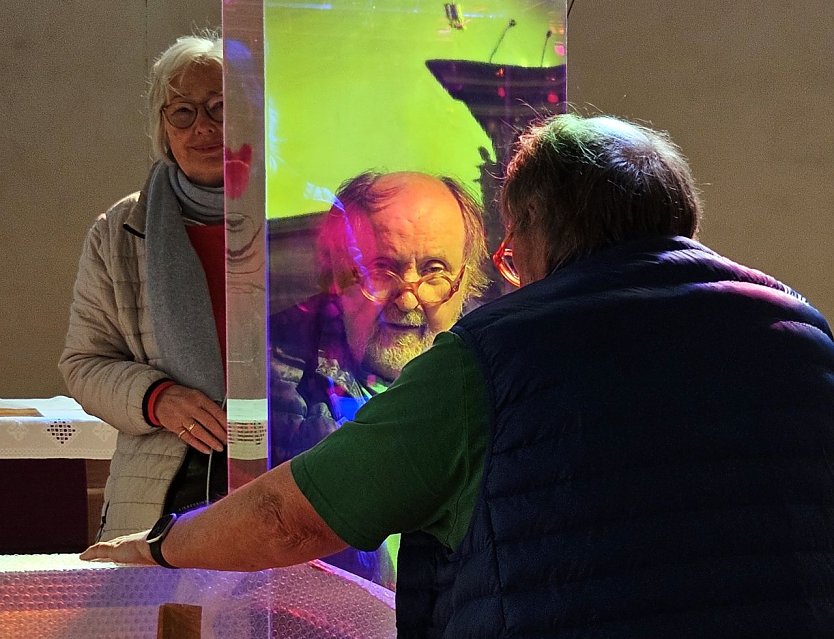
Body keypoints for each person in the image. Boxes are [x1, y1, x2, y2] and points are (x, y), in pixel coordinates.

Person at [83, 113, 834, 637]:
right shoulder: (800, 329)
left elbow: (287, 518)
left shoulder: (494, 356)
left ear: (530, 237)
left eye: (444, 268)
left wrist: (157, 546)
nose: (411, 296)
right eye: (383, 268)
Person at [268, 170, 488, 588]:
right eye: (382, 269)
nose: (408, 297)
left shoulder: (499, 376)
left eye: (434, 270)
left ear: (466, 281)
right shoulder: (276, 374)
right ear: (336, 275)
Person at [60, 32, 229, 542]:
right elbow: (83, 364)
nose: (203, 127)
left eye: (221, 107)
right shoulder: (117, 230)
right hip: (164, 482)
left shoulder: (302, 221)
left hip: (290, 466)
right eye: (182, 111)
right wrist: (158, 398)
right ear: (163, 125)